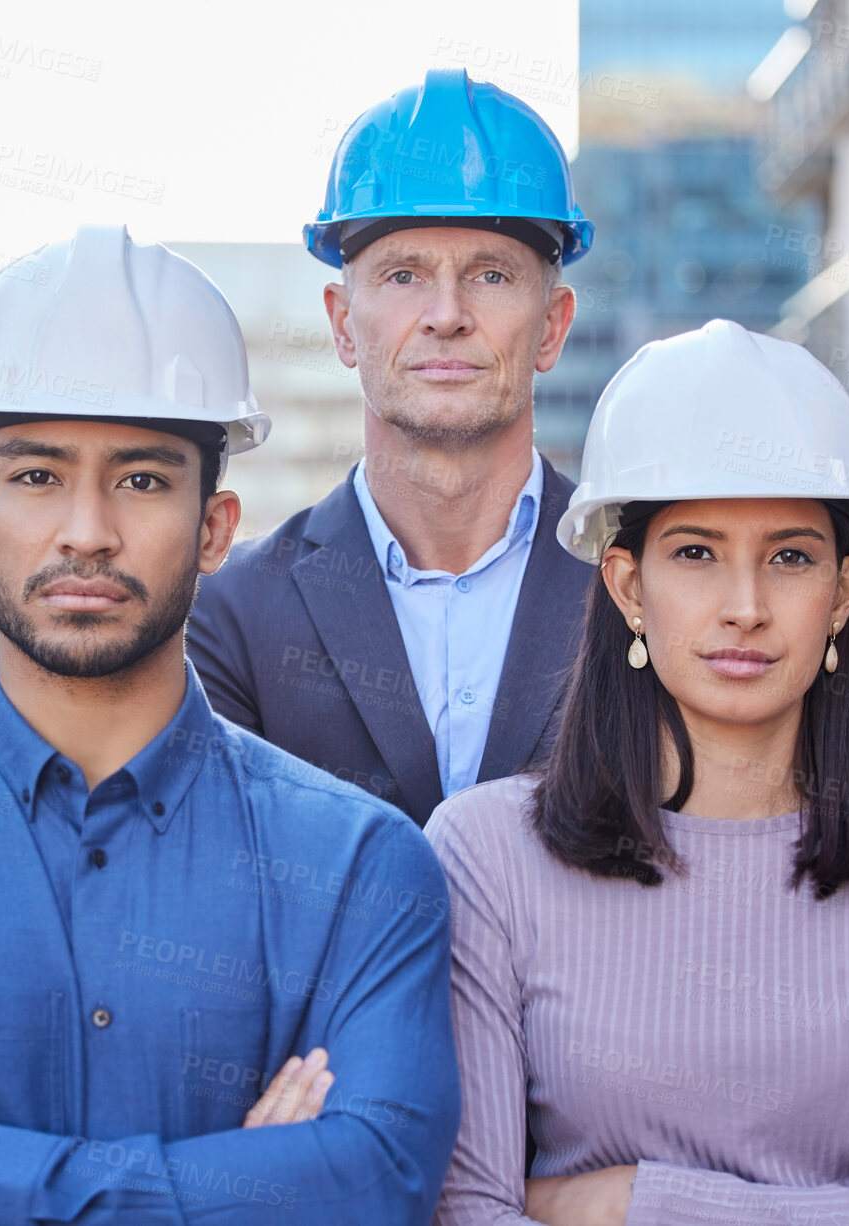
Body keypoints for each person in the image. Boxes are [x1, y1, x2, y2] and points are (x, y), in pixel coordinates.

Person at [0, 226, 461, 1225]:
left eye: (141, 478)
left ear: (216, 526)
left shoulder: (363, 869)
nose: (86, 530)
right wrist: (237, 1183)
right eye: (36, 475)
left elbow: (369, 1183)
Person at [426, 319, 849, 1225]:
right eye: (695, 553)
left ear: (842, 590)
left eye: (790, 558)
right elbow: (467, 1212)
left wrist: (633, 1204)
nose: (746, 608)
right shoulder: (485, 853)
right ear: (627, 587)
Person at [189, 69, 597, 825]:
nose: (446, 315)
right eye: (404, 275)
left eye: (491, 274)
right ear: (343, 324)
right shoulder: (231, 614)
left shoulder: (643, 584)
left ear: (551, 325)